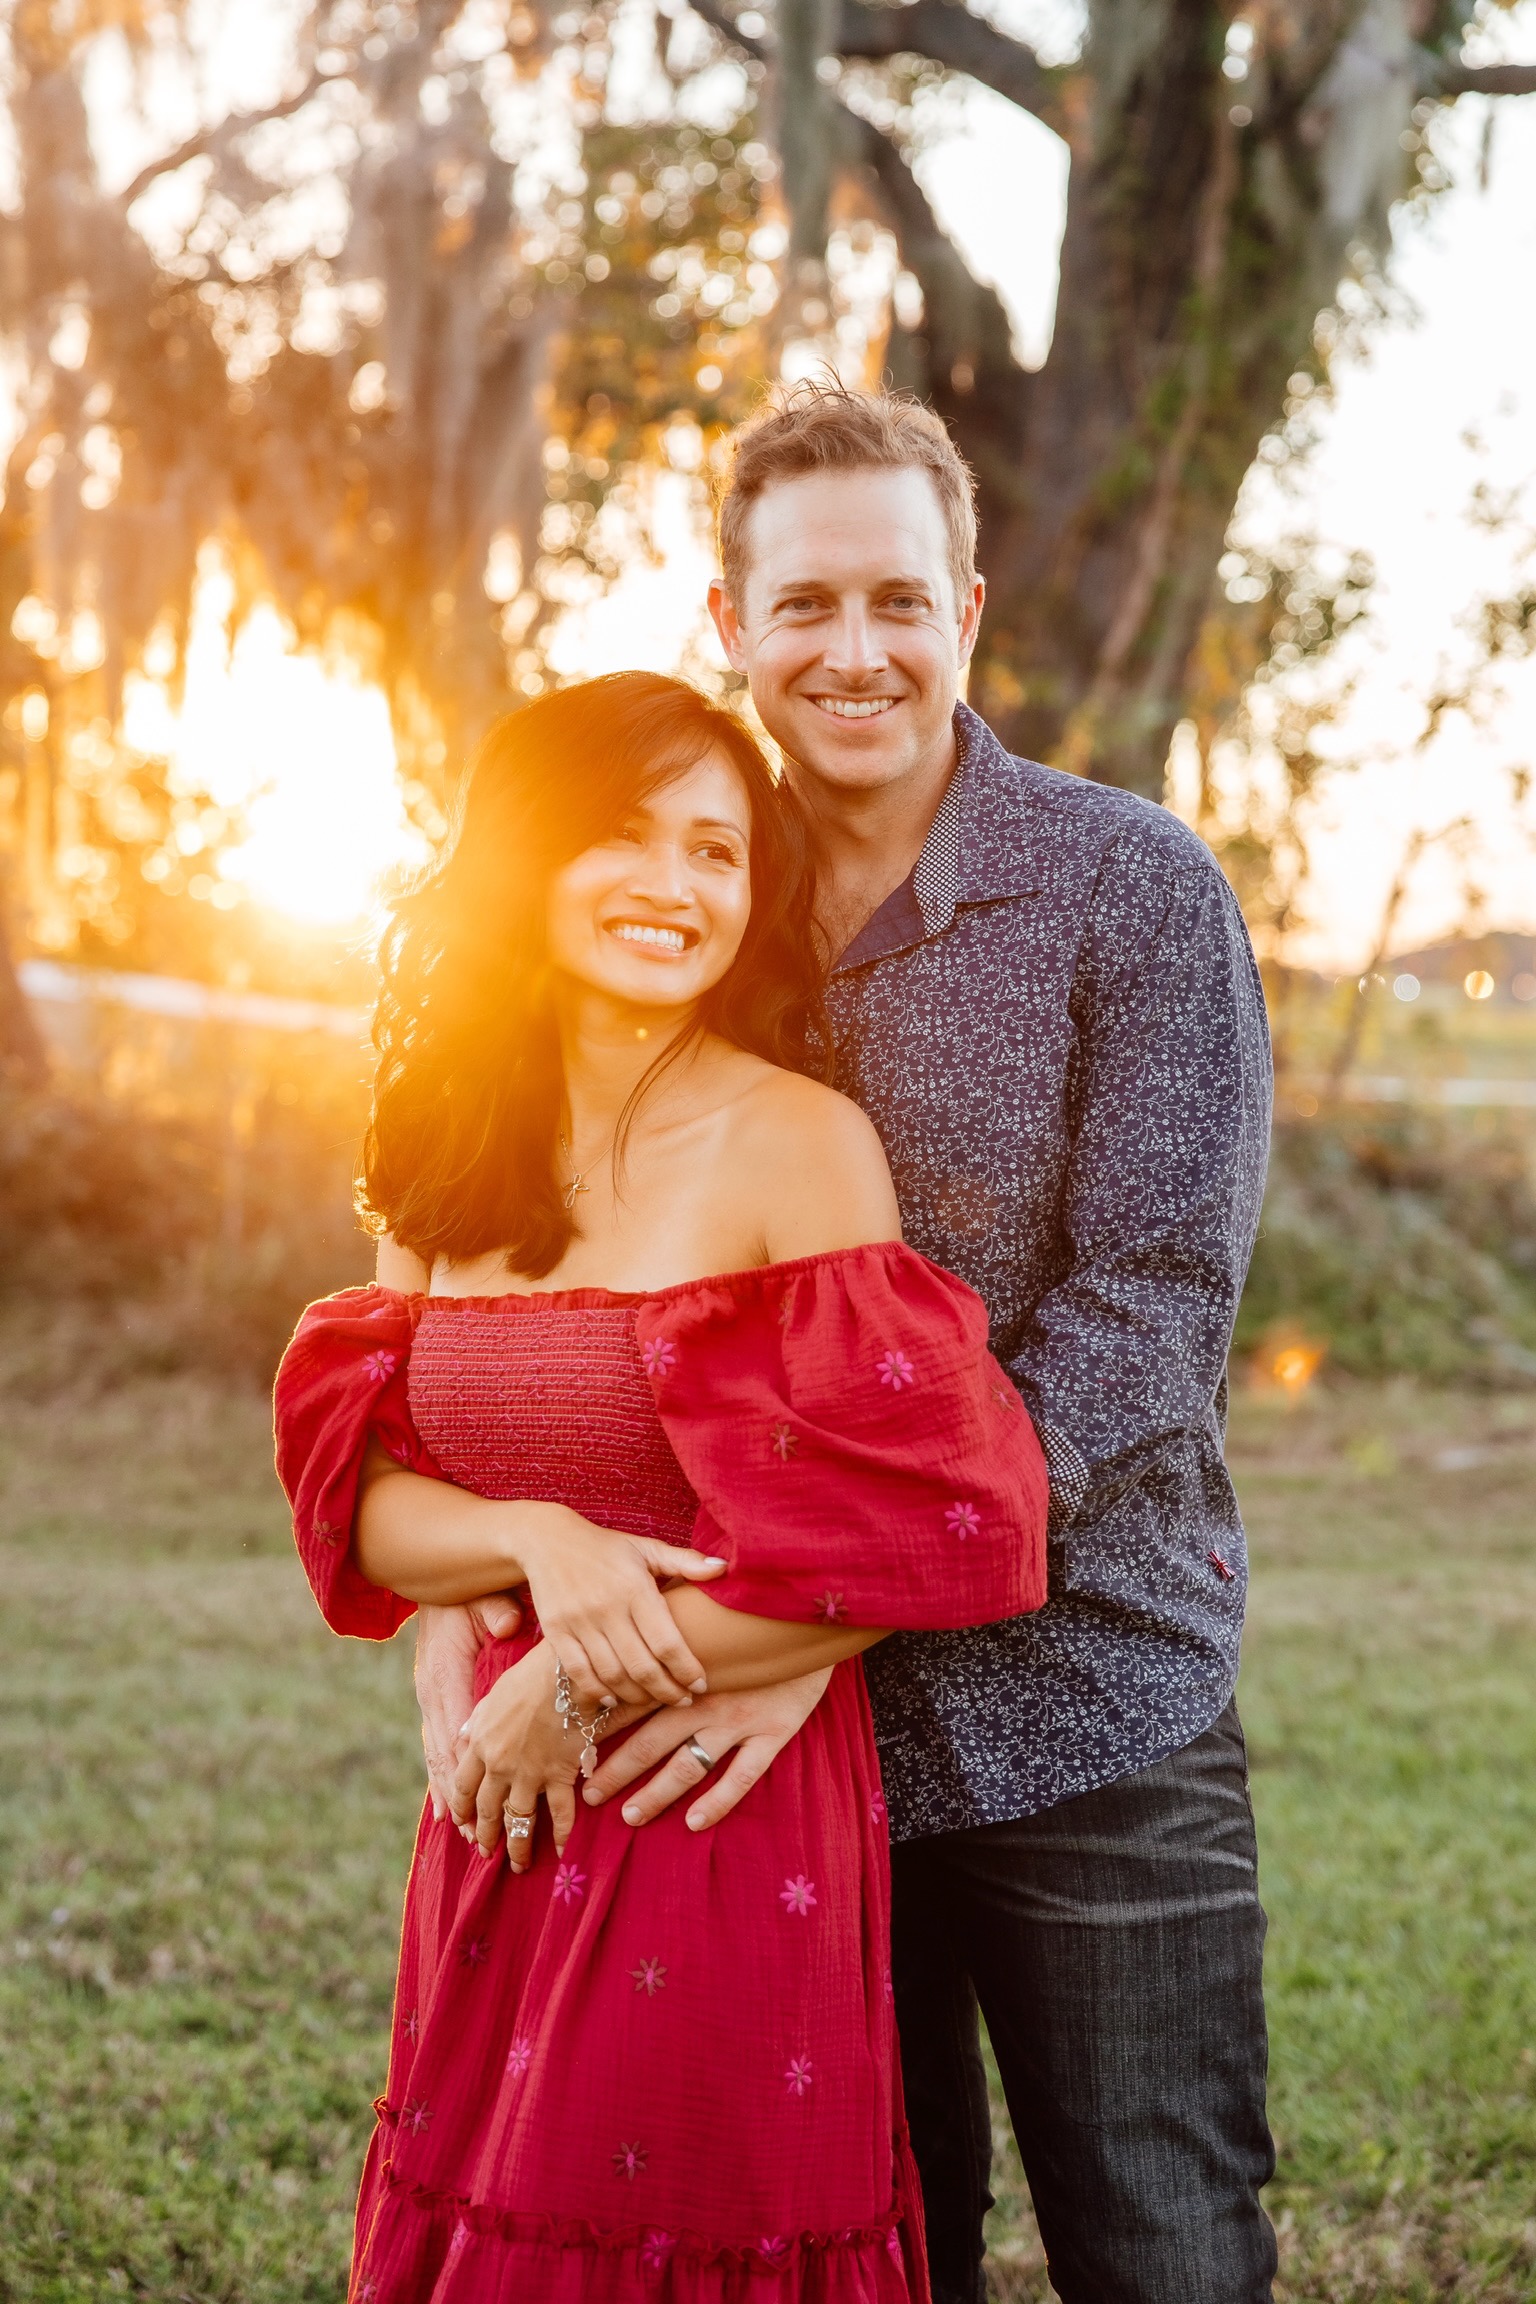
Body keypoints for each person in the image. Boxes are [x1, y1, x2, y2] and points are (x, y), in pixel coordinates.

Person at [413, 385, 1279, 2304]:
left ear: (969, 610)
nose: (854, 651)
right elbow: (533, 1295)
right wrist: (467, 1602)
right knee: (868, 2255)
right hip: (748, 1784)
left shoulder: (1132, 890)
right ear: (730, 624)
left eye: (899, 599)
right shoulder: (688, 900)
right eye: (804, 606)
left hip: (1084, 1712)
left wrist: (803, 1620)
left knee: (1165, 2243)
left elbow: (1146, 1324)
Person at [273, 670, 1050, 2299]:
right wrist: (530, 1540)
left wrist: (575, 1678)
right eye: (627, 840)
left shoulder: (799, 1142)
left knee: (675, 2223)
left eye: (717, 853)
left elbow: (952, 1524)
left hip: (706, 1792)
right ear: (525, 861)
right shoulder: (434, 1147)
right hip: (492, 1802)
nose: (679, 888)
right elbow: (364, 1506)